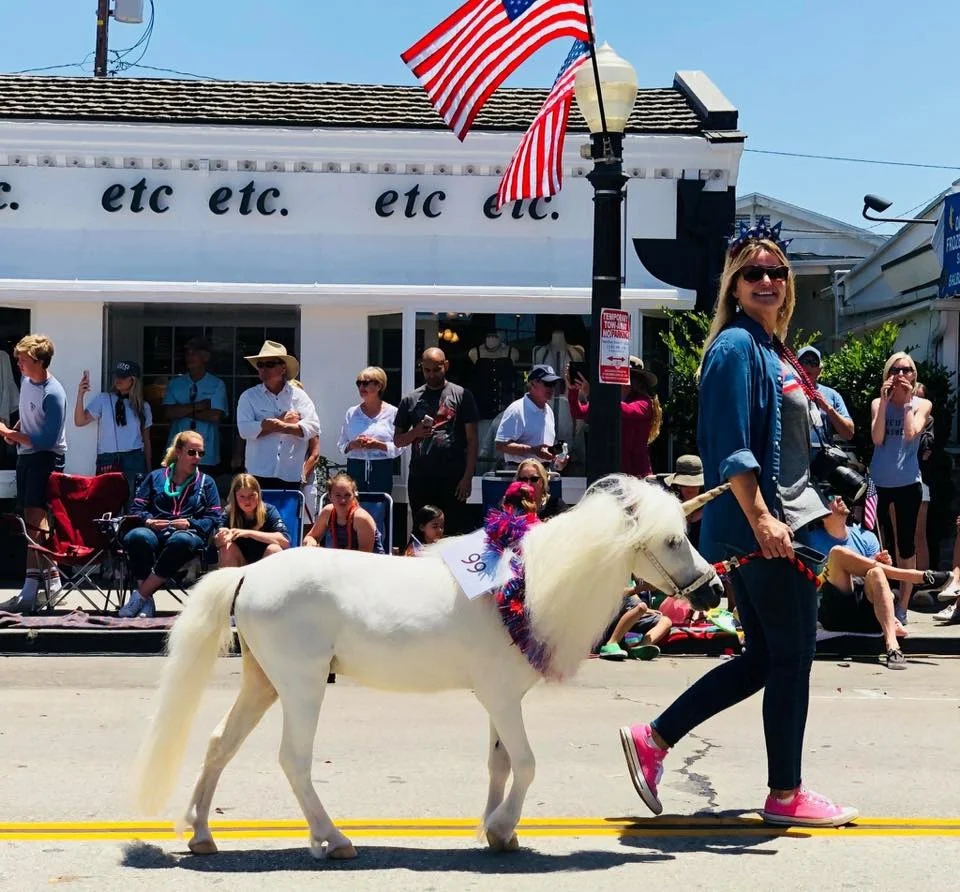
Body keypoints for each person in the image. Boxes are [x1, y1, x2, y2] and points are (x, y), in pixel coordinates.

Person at [618, 221, 858, 827]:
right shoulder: (734, 348)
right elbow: (732, 447)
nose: (769, 281)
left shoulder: (771, 350)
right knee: (793, 658)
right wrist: (763, 520)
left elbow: (793, 444)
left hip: (787, 524)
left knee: (763, 659)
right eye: (754, 272)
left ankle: (654, 738)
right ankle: (786, 794)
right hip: (765, 531)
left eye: (777, 271)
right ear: (733, 284)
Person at [807, 494, 950, 669]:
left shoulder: (867, 536)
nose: (839, 497)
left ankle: (892, 646)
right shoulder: (810, 540)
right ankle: (917, 577)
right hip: (834, 610)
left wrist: (881, 565)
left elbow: (875, 579)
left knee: (876, 571)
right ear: (821, 513)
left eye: (838, 494)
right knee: (837, 553)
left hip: (869, 612)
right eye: (829, 496)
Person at [119, 430, 222, 618]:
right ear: (179, 452)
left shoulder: (207, 482)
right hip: (154, 530)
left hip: (186, 534)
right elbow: (136, 510)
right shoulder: (156, 477)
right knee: (138, 537)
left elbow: (215, 517)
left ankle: (141, 596)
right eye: (192, 452)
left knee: (181, 541)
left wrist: (190, 522)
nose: (197, 457)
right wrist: (149, 521)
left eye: (201, 453)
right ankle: (146, 601)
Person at [0, 334, 67, 613]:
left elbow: (46, 439)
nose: (19, 364)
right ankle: (52, 584)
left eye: (23, 360)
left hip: (47, 458)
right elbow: (29, 416)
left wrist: (11, 434)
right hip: (27, 457)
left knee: (35, 523)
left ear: (39, 362)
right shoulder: (28, 381)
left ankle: (30, 590)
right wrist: (16, 429)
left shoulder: (54, 393)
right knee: (33, 523)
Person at [869, 351, 932, 625]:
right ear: (887, 374)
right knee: (879, 545)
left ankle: (903, 605)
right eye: (895, 370)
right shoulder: (877, 403)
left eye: (906, 370)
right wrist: (884, 404)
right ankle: (882, 599)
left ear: (913, 375)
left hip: (908, 482)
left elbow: (910, 433)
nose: (900, 375)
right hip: (878, 483)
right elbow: (877, 437)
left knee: (905, 545)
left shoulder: (923, 403)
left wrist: (906, 402)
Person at [394, 348, 478, 534]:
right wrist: (415, 432)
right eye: (427, 370)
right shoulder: (410, 399)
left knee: (453, 531)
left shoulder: (462, 395)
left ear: (445, 366)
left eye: (436, 369)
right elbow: (398, 441)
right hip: (421, 477)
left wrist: (467, 477)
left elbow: (472, 440)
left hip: (453, 478)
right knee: (422, 531)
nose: (431, 375)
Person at [236, 341, 321, 492]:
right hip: (257, 474)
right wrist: (284, 423)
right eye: (260, 365)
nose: (263, 369)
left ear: (283, 368)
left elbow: (313, 427)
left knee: (288, 516)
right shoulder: (248, 397)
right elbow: (244, 430)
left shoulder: (300, 396)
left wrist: (279, 426)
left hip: (290, 474)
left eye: (269, 364)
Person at [567, 356, 661, 478]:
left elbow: (623, 410)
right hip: (611, 472)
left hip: (637, 474)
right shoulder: (606, 401)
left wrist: (594, 394)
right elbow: (577, 412)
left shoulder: (644, 402)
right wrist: (573, 389)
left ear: (634, 380)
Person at [74, 360, 153, 504]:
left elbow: (146, 440)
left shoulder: (143, 406)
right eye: (116, 376)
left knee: (133, 502)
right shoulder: (104, 399)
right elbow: (80, 421)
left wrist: (148, 468)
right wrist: (80, 395)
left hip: (134, 457)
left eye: (123, 377)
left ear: (133, 380)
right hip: (108, 457)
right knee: (107, 503)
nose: (118, 380)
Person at [163, 337, 228, 472]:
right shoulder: (175, 383)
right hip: (178, 451)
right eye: (188, 354)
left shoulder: (217, 384)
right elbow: (168, 413)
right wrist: (198, 406)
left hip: (206, 453)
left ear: (206, 357)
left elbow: (215, 416)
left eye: (195, 353)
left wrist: (182, 410)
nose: (190, 357)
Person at [337, 366, 402, 495]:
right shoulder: (352, 412)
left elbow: (400, 446)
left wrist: (378, 445)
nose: (362, 387)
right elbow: (341, 444)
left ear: (379, 386)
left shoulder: (393, 413)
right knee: (354, 510)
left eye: (366, 383)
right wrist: (352, 445)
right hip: (356, 467)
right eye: (359, 383)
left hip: (381, 469)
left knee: (379, 509)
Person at [495, 364, 570, 471]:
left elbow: (544, 449)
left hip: (544, 473)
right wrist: (533, 450)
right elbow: (500, 445)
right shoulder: (516, 409)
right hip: (519, 473)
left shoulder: (549, 410)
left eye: (553, 384)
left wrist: (557, 457)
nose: (551, 388)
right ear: (533, 384)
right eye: (547, 383)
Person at [214, 473, 290, 567]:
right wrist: (222, 537)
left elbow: (285, 541)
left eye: (251, 495)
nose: (247, 501)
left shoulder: (269, 511)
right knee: (226, 549)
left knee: (274, 549)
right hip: (240, 564)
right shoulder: (229, 512)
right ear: (235, 496)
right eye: (242, 496)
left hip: (263, 564)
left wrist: (249, 533)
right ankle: (231, 581)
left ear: (258, 494)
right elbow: (216, 543)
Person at [303, 472, 384, 553]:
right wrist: (310, 542)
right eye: (338, 495)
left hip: (370, 562)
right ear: (330, 496)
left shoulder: (361, 519)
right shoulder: (327, 512)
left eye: (347, 495)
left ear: (354, 496)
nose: (343, 500)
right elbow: (310, 537)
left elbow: (365, 556)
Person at [598, 581, 673, 661]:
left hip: (627, 616)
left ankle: (641, 647)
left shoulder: (633, 581)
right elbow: (612, 593)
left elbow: (635, 600)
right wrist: (641, 588)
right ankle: (611, 643)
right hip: (608, 619)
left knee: (665, 621)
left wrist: (646, 609)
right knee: (641, 607)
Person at [796, 346, 854, 449]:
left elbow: (849, 433)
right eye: (803, 362)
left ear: (819, 370)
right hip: (794, 457)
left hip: (823, 459)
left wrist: (828, 408)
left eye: (813, 362)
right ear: (795, 367)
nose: (808, 366)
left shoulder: (832, 394)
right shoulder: (787, 392)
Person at [663, 454, 704, 549]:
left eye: (695, 484)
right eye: (685, 483)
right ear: (678, 485)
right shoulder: (668, 509)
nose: (690, 488)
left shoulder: (710, 510)